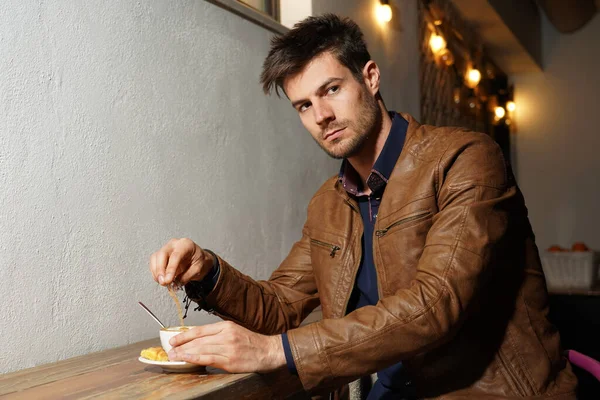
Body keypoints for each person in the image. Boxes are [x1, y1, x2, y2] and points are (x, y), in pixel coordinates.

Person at [149, 14, 577, 399]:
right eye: (304, 105)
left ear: (370, 78)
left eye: (331, 90)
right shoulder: (328, 204)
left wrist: (273, 351)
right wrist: (207, 270)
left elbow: (436, 303)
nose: (321, 115)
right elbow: (279, 306)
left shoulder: (465, 159)